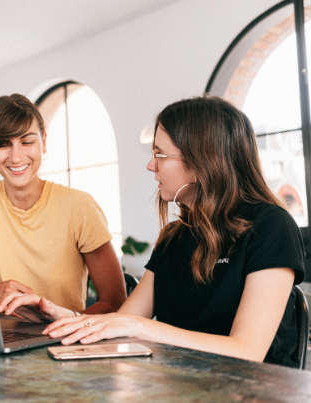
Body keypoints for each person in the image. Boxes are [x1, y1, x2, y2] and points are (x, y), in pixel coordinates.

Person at [43, 95, 305, 367]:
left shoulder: (272, 227)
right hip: (181, 385)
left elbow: (247, 351)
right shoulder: (173, 237)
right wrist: (59, 315)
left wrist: (140, 328)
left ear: (202, 162)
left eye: (159, 154)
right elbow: (122, 322)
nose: (150, 165)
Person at [0, 93, 127, 323]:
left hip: (65, 341)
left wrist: (63, 323)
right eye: (4, 144)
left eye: (27, 142)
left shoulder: (79, 207)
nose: (16, 157)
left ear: (43, 141)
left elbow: (115, 303)